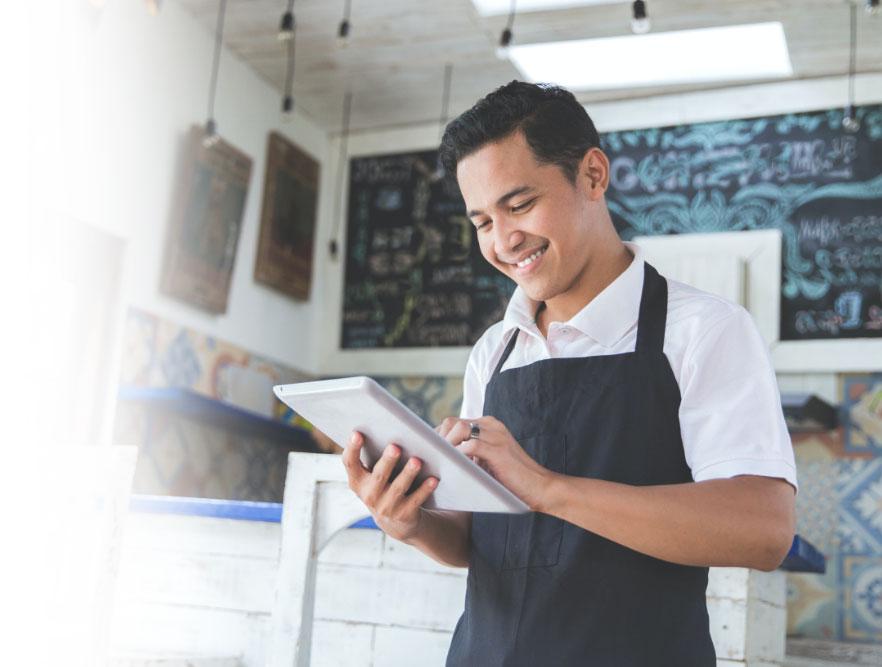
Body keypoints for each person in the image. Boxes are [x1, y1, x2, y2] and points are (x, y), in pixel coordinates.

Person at [340, 81, 797, 666]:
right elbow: (481, 542)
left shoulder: (705, 330)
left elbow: (763, 530)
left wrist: (549, 489)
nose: (504, 241)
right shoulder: (494, 351)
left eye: (519, 205)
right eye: (482, 222)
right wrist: (411, 522)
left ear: (593, 175)